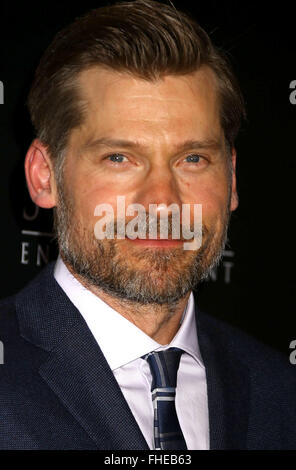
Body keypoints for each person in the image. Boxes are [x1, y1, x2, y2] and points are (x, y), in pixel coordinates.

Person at [0, 0, 295, 450]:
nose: (161, 201)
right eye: (119, 158)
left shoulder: (281, 391)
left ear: (232, 178)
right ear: (45, 176)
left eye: (192, 158)